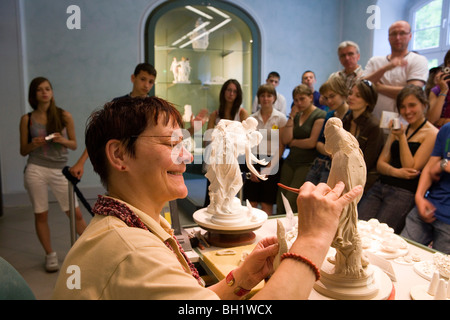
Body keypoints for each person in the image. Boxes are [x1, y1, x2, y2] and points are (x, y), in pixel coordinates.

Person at [52, 96, 363, 300]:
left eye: (184, 142)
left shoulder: (130, 227)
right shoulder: (132, 254)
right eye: (171, 143)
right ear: (119, 154)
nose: (187, 156)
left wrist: (240, 278)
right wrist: (314, 237)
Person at [69, 62, 207, 179]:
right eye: (143, 79)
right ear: (133, 78)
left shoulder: (156, 110)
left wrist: (193, 129)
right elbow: (101, 137)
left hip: (148, 169)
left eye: (150, 81)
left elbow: (170, 138)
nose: (146, 85)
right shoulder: (118, 106)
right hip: (123, 168)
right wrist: (81, 162)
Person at [19, 77, 87, 272]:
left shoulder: (64, 116)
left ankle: (90, 246)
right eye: (40, 90)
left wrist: (61, 140)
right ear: (34, 95)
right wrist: (34, 144)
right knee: (41, 214)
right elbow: (23, 150)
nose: (45, 92)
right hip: (36, 168)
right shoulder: (27, 119)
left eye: (48, 89)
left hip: (60, 169)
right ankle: (50, 254)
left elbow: (73, 144)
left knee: (75, 213)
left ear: (52, 92)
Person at [358, 85, 438, 233]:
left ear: (424, 105)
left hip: (403, 193)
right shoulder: (401, 128)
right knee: (357, 227)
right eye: (402, 107)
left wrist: (401, 137)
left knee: (380, 236)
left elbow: (411, 166)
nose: (407, 111)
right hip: (381, 185)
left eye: (412, 105)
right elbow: (381, 164)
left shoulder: (432, 133)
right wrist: (397, 172)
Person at [364, 21, 429, 121]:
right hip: (375, 123)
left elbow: (411, 93)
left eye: (402, 33)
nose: (397, 37)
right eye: (393, 34)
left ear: (410, 36)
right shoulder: (375, 61)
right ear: (388, 37)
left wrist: (378, 87)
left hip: (404, 124)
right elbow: (362, 86)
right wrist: (385, 68)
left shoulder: (418, 60)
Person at [401, 122, 450, 254]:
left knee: (441, 272)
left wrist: (442, 165)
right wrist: (419, 197)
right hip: (428, 206)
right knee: (400, 253)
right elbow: (431, 166)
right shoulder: (447, 129)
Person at [276, 84, 326, 214]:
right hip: (290, 161)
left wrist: (294, 142)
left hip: (306, 163)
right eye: (296, 100)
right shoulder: (297, 115)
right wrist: (291, 117)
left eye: (302, 99)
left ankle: (293, 229)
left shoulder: (320, 115)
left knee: (292, 198)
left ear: (310, 97)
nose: (299, 103)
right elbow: (286, 140)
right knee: (281, 198)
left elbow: (311, 142)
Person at [243, 84, 287, 216]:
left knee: (267, 203)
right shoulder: (252, 119)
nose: (266, 98)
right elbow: (247, 145)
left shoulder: (280, 119)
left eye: (269, 95)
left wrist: (269, 168)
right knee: (252, 203)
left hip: (272, 161)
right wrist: (252, 168)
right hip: (253, 160)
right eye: (262, 95)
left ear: (274, 98)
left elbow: (281, 146)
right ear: (258, 98)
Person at [205, 79, 248, 207]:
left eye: (234, 91)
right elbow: (208, 138)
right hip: (218, 159)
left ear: (238, 95)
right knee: (213, 194)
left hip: (236, 159)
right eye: (229, 90)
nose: (231, 94)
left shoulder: (242, 113)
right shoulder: (215, 114)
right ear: (224, 92)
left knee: (232, 195)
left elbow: (245, 138)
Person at [305, 75, 350, 185]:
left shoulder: (351, 116)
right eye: (326, 97)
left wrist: (330, 152)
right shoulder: (330, 115)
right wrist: (331, 153)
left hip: (336, 168)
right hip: (320, 163)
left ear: (343, 94)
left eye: (332, 96)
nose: (329, 101)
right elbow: (319, 143)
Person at [342, 79, 384, 191]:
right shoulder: (346, 120)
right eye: (350, 93)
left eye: (358, 96)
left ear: (368, 102)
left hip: (361, 179)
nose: (351, 98)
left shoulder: (374, 126)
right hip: (342, 171)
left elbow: (366, 162)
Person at [428, 50, 450, 128]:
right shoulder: (437, 89)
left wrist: (446, 121)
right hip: (441, 134)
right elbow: (432, 120)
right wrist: (443, 91)